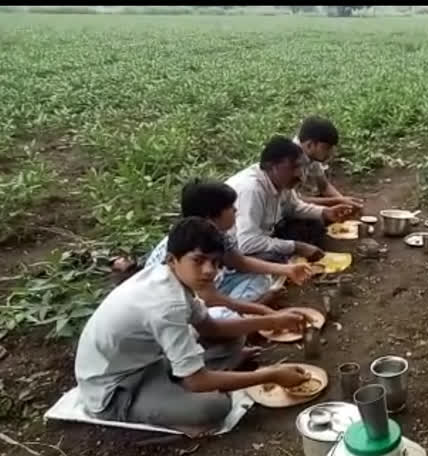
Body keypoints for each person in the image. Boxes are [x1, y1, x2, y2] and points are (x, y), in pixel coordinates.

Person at [75, 217, 312, 435]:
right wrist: (269, 375)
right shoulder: (166, 303)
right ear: (172, 259)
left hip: (149, 360)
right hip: (116, 389)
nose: (209, 271)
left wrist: (273, 320)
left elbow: (211, 328)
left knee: (233, 338)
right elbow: (196, 382)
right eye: (198, 261)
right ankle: (162, 416)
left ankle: (198, 380)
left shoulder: (172, 279)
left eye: (215, 262)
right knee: (215, 406)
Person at [145, 179, 313, 317]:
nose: (235, 209)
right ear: (211, 215)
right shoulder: (193, 243)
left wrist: (288, 270)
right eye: (230, 207)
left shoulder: (212, 233)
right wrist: (263, 311)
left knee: (261, 278)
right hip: (176, 306)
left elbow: (240, 262)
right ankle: (241, 315)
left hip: (204, 291)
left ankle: (242, 311)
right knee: (223, 316)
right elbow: (208, 297)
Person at [226, 135, 353, 262]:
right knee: (275, 258)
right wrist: (296, 247)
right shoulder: (252, 189)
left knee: (314, 224)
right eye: (293, 167)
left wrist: (325, 212)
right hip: (234, 248)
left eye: (300, 167)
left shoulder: (280, 181)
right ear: (272, 166)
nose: (299, 174)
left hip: (267, 232)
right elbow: (247, 243)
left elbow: (294, 207)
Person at [293, 116, 364, 211]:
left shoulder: (310, 154)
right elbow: (292, 202)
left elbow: (324, 186)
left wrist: (345, 203)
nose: (330, 153)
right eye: (327, 148)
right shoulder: (291, 160)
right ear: (310, 144)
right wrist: (337, 201)